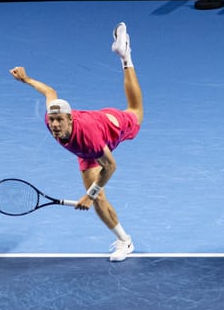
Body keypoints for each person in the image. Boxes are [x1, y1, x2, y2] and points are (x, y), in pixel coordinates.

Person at [9, 22, 144, 261]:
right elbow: (50, 92)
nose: (55, 125)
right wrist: (26, 79)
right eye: (53, 120)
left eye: (59, 120)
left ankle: (126, 57)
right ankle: (125, 241)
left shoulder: (90, 140)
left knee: (135, 111)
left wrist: (89, 196)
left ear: (70, 119)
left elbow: (111, 166)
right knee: (99, 197)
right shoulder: (50, 117)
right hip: (87, 145)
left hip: (108, 128)